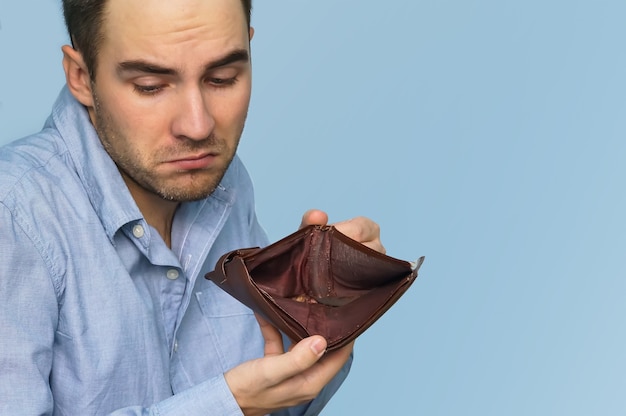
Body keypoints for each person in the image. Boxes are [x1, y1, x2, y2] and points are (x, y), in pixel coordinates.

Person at [0, 0, 386, 415]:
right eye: (151, 85)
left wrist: (319, 317)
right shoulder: (14, 216)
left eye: (222, 78)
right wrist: (229, 406)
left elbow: (266, 399)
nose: (198, 126)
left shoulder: (220, 179)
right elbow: (239, 403)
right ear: (81, 76)